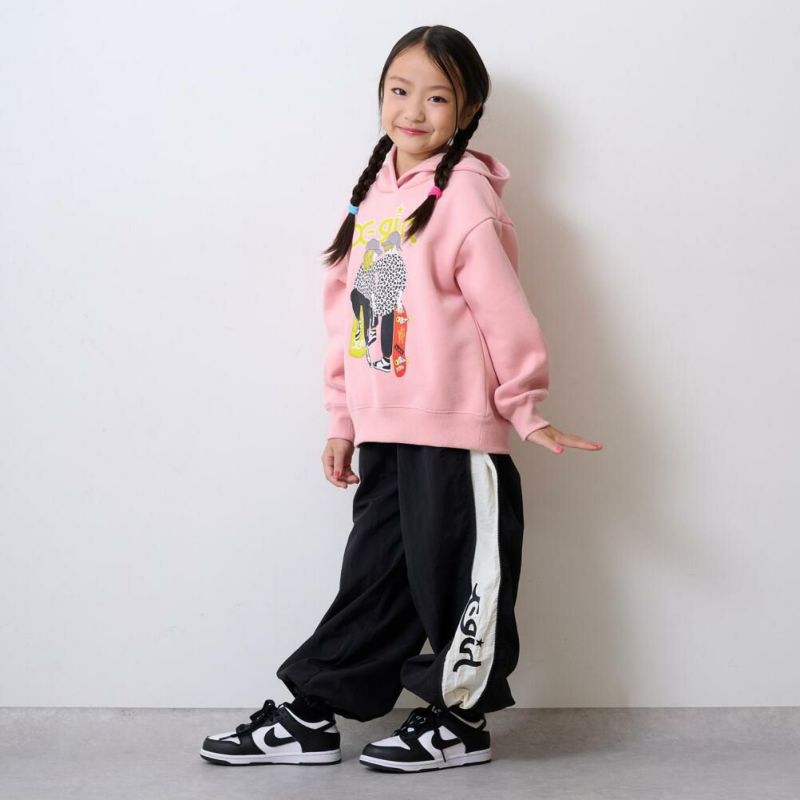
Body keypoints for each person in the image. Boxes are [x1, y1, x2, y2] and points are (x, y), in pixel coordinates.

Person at [200, 23, 603, 774]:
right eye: (399, 90)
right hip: (386, 429)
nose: (413, 110)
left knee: (460, 582)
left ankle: (460, 721)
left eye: (437, 97)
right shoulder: (372, 199)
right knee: (374, 582)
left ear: (468, 110)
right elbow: (349, 320)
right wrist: (343, 418)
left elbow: (503, 314)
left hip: (456, 434)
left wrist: (524, 406)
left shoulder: (466, 197)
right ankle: (313, 714)